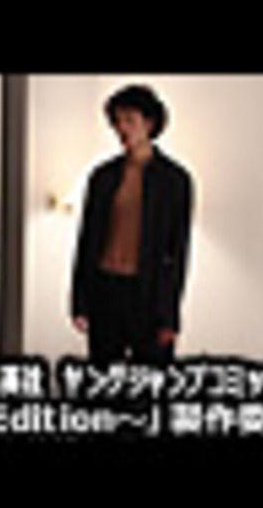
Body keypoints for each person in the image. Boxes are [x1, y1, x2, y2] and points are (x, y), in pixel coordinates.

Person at [70, 84, 194, 365]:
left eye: (130, 120)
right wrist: (80, 301)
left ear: (149, 123)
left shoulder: (175, 181)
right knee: (103, 378)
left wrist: (169, 317)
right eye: (117, 121)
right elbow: (87, 241)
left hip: (147, 294)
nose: (122, 128)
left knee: (149, 381)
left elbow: (178, 253)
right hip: (106, 288)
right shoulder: (102, 177)